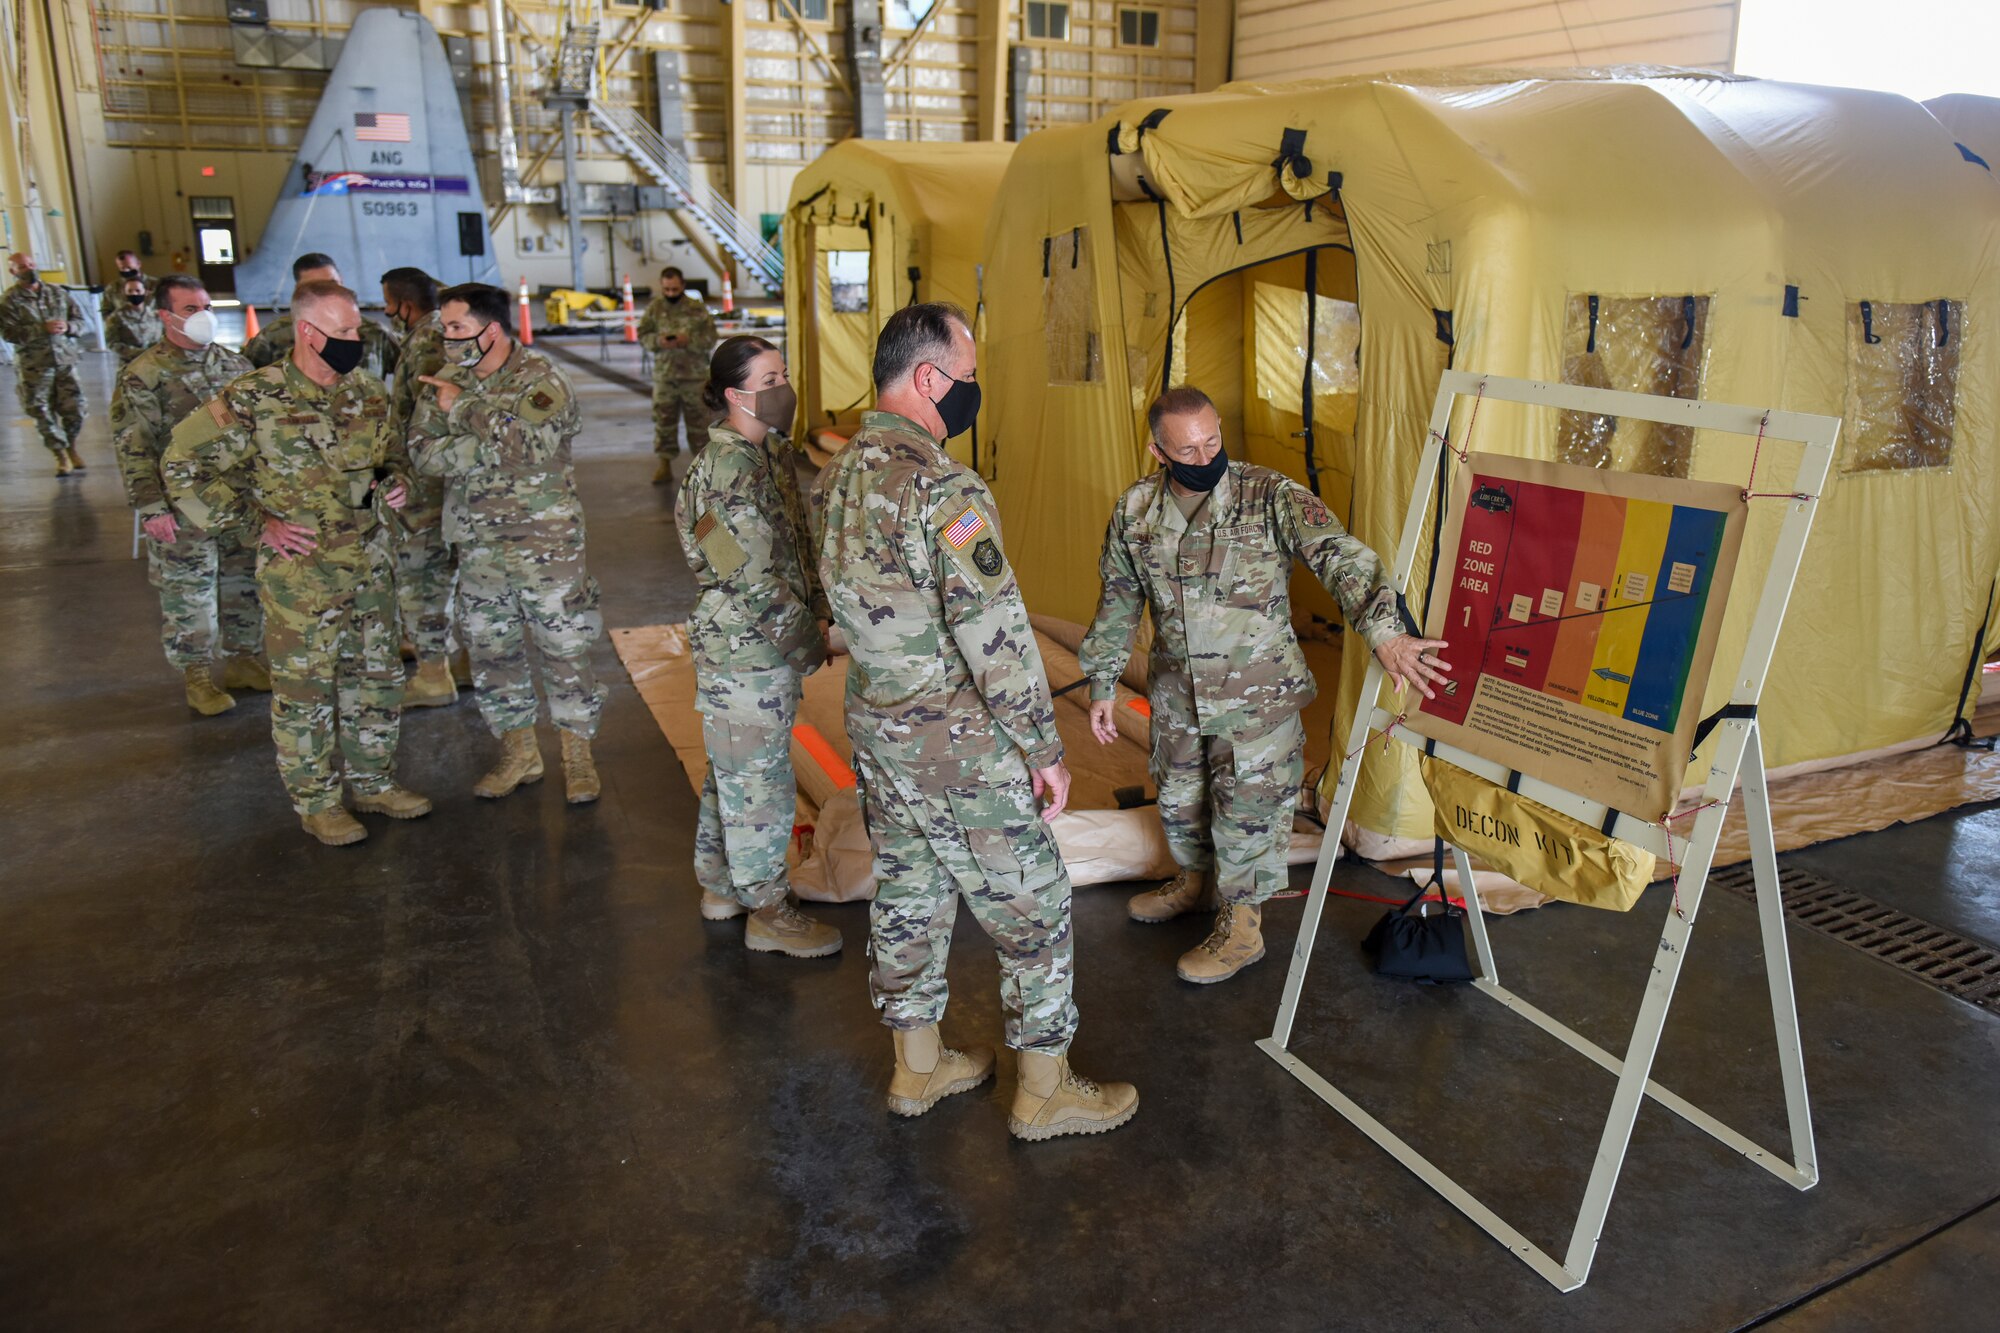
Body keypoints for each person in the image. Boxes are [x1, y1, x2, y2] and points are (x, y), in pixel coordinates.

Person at [813, 302, 1137, 1140]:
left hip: (881, 726)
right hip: (956, 741)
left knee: (911, 892)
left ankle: (916, 1067)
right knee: (1033, 904)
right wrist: (1042, 746)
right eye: (967, 374)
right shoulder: (941, 487)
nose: (972, 390)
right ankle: (1045, 1087)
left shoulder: (843, 473)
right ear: (928, 379)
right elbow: (994, 636)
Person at [1079, 386, 1452, 984]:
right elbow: (1119, 599)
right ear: (1157, 451)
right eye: (1189, 451)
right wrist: (1101, 680)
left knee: (1247, 812)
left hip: (1259, 698)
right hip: (1178, 694)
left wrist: (1384, 631)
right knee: (1181, 799)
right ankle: (1198, 883)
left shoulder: (1269, 495)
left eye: (1213, 442)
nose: (1206, 459)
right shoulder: (1136, 511)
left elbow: (1339, 556)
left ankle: (1241, 929)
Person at [163, 278, 432, 846]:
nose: (358, 338)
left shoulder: (366, 394)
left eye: (357, 327)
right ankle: (318, 803)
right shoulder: (253, 398)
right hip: (301, 581)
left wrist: (398, 484)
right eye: (346, 330)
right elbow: (181, 463)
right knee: (306, 694)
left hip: (370, 570)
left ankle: (374, 783)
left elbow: (392, 459)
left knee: (377, 682)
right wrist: (254, 524)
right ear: (308, 333)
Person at [407, 282, 607, 804]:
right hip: (477, 546)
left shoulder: (541, 379)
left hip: (546, 545)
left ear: (489, 329)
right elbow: (423, 453)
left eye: (455, 328)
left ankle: (577, 756)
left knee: (564, 649)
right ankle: (520, 753)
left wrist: (464, 412)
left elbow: (531, 447)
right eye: (444, 328)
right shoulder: (442, 380)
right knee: (493, 652)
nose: (446, 339)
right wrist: (487, 441)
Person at [674, 335, 841, 957]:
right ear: (733, 394)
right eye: (769, 380)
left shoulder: (766, 454)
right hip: (746, 653)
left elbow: (797, 547)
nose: (783, 390)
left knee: (734, 774)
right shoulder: (721, 475)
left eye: (784, 375)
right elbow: (748, 579)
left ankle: (721, 885)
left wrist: (817, 614)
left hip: (761, 647)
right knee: (760, 784)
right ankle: (768, 911)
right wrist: (808, 642)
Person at [111, 274, 264, 715]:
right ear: (165, 316)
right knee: (189, 592)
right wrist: (151, 507)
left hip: (236, 500)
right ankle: (197, 675)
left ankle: (243, 660)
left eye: (207, 308)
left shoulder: (236, 367)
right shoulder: (143, 376)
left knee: (243, 582)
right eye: (190, 309)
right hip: (182, 504)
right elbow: (133, 444)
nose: (203, 317)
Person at [381, 265, 461, 708]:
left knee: (420, 576)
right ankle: (460, 662)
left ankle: (434, 674)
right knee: (460, 573)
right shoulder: (449, 335)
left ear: (404, 305)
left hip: (426, 482)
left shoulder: (423, 342)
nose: (388, 313)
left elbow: (411, 418)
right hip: (457, 480)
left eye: (389, 305)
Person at [0, 252, 88, 475]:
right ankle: (60, 454)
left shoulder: (57, 292)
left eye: (31, 264)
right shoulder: (9, 300)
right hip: (34, 366)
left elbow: (80, 320)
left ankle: (71, 446)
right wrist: (41, 329)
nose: (29, 269)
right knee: (41, 410)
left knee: (75, 408)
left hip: (65, 361)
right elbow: (8, 333)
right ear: (13, 272)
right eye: (22, 267)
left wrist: (68, 327)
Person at [246, 253, 400, 379]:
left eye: (332, 283)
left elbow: (409, 371)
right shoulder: (273, 337)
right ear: (298, 290)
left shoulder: (375, 333)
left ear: (342, 281)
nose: (329, 292)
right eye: (316, 287)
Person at [635, 266, 716, 482]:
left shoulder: (697, 309)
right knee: (664, 421)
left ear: (683, 285)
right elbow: (642, 334)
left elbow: (710, 338)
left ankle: (703, 469)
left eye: (674, 289)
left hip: (694, 377)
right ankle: (664, 464)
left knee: (699, 425)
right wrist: (657, 342)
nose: (670, 293)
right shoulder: (655, 309)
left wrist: (688, 341)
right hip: (665, 376)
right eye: (666, 290)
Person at [104, 277, 163, 364]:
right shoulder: (116, 317)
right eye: (130, 291)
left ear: (145, 292)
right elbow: (112, 343)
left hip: (155, 364)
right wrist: (138, 353)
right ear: (124, 293)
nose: (134, 294)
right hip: (130, 364)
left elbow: (165, 339)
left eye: (138, 290)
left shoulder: (156, 316)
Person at [99, 249, 154, 317]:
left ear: (138, 264)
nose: (126, 271)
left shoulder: (155, 285)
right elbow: (105, 312)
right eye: (123, 268)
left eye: (129, 267)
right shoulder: (112, 288)